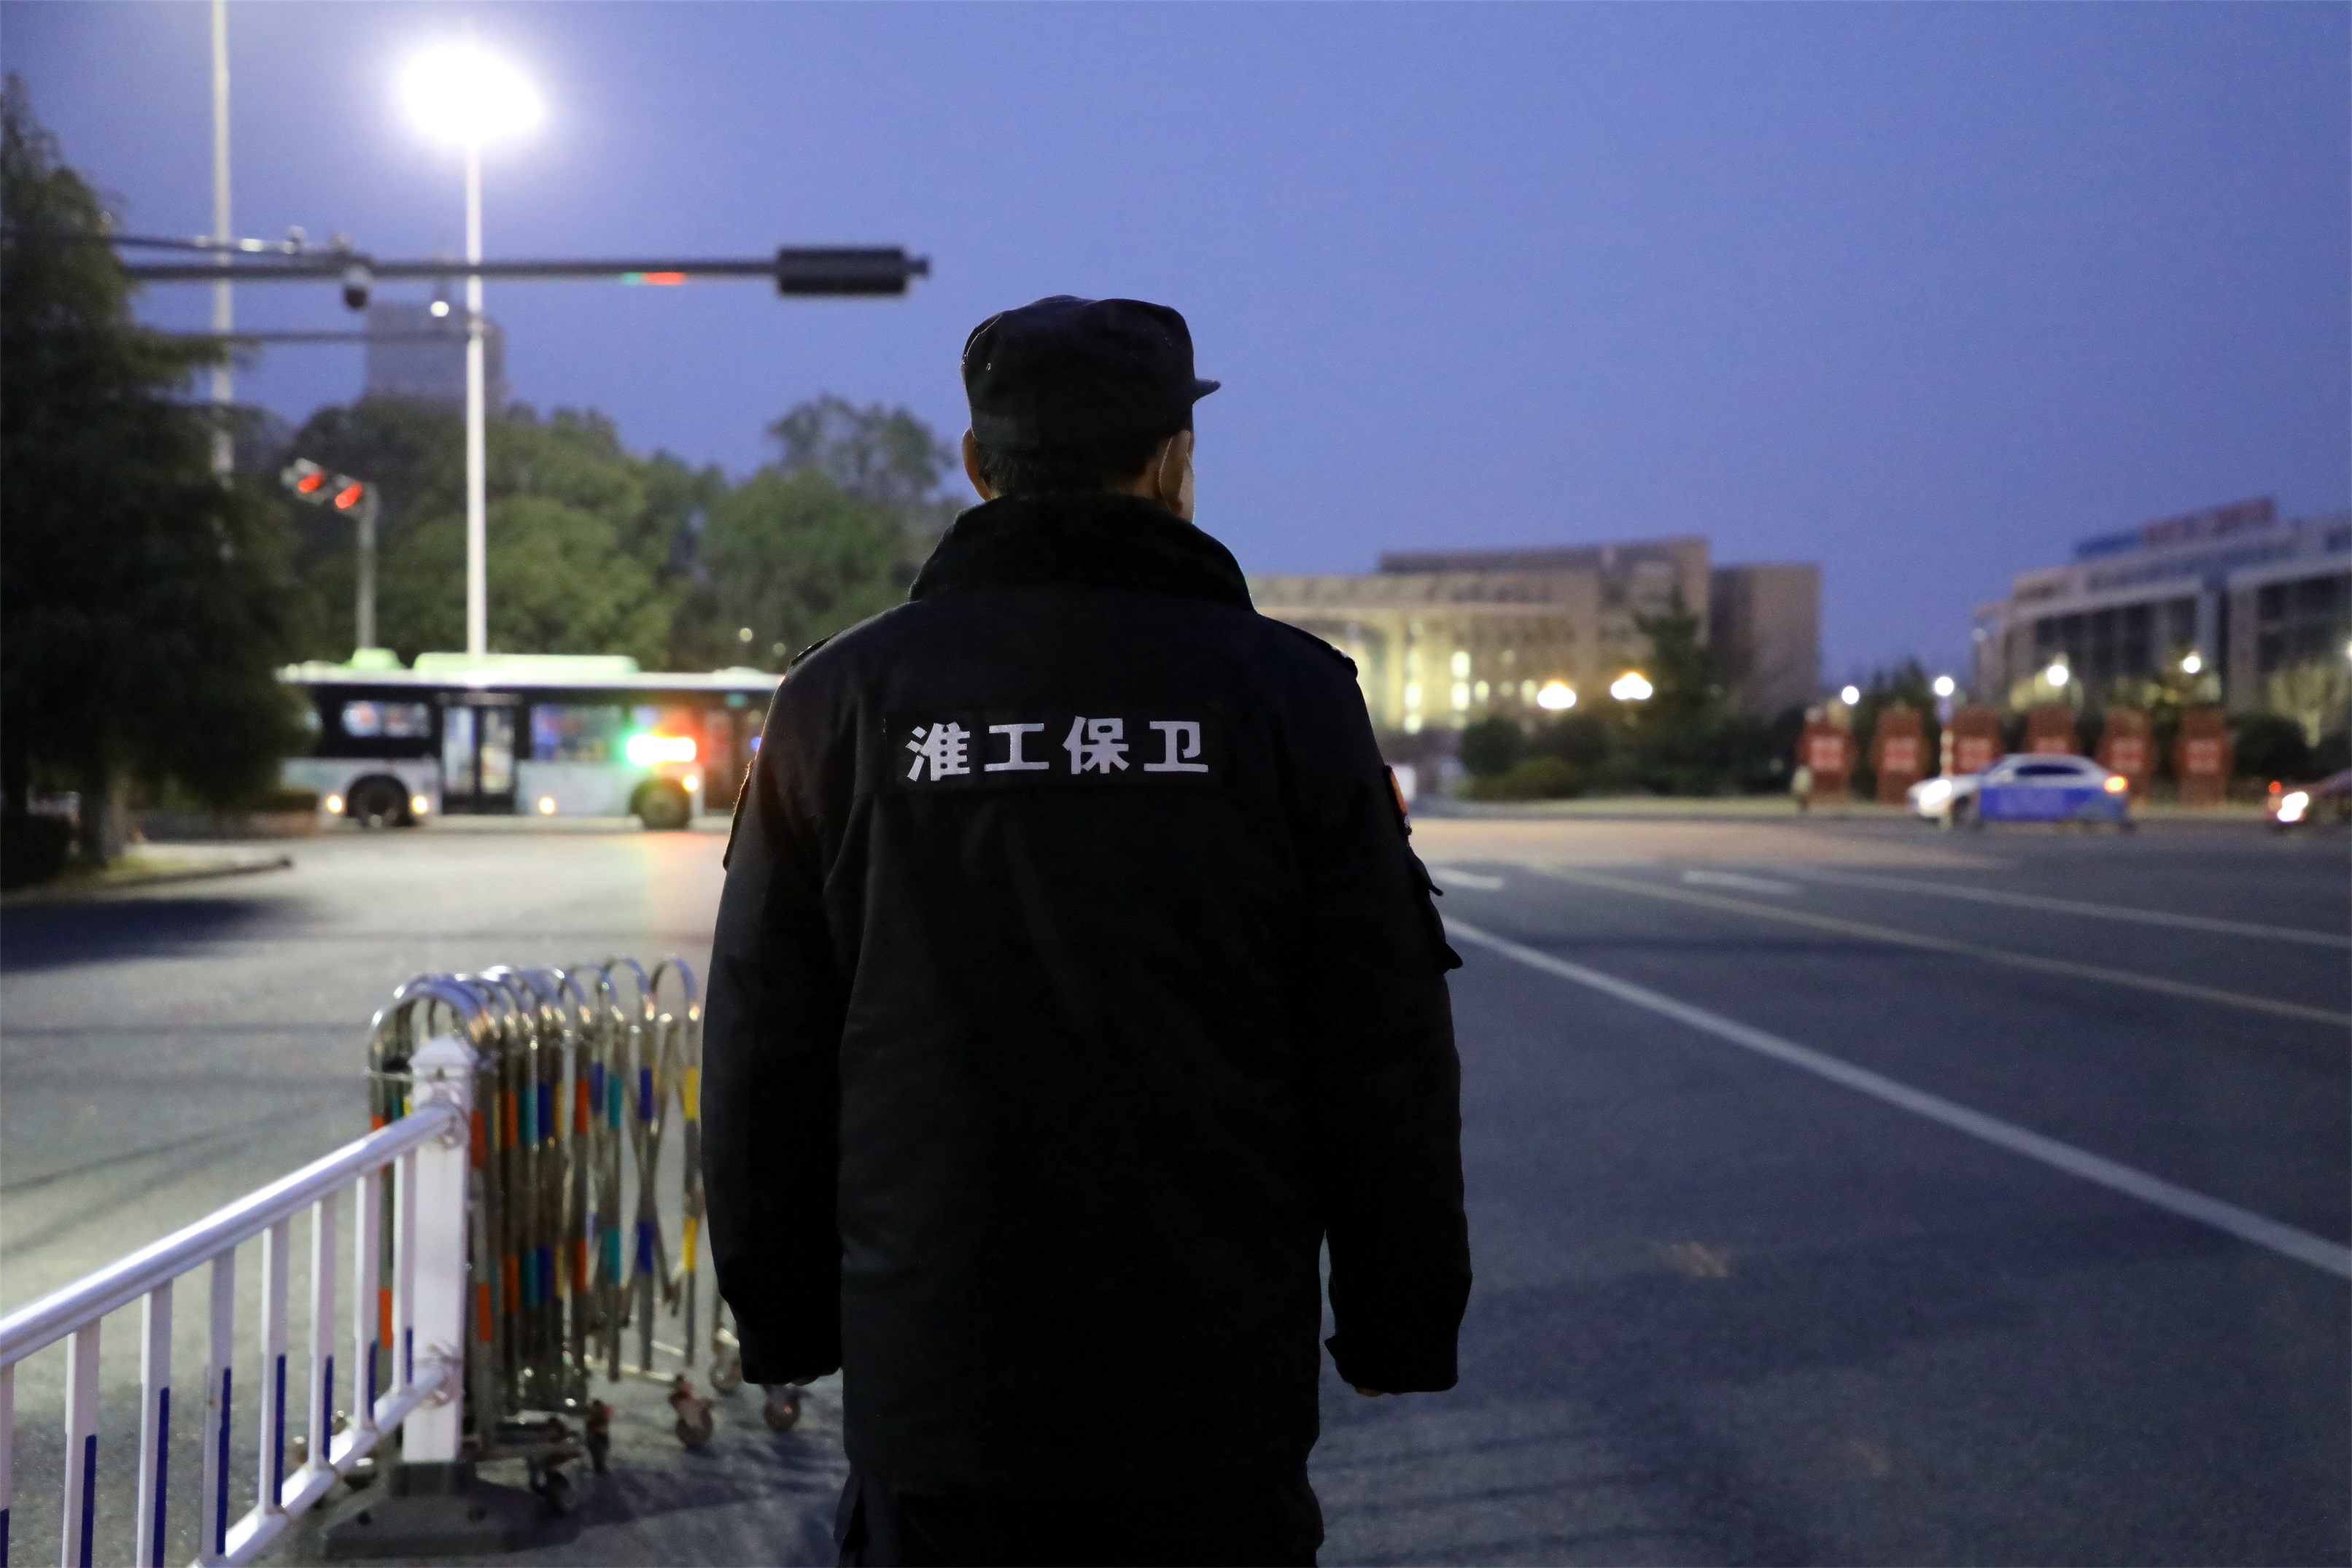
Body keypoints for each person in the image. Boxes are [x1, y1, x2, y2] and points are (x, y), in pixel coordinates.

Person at [703, 295, 1472, 1567]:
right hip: (1210, 1367)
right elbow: (1381, 1039)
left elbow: (760, 1039)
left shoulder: (840, 698)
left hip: (937, 1360)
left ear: (977, 464)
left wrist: (783, 1315)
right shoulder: (1289, 695)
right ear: (1173, 463)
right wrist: (1400, 1319)